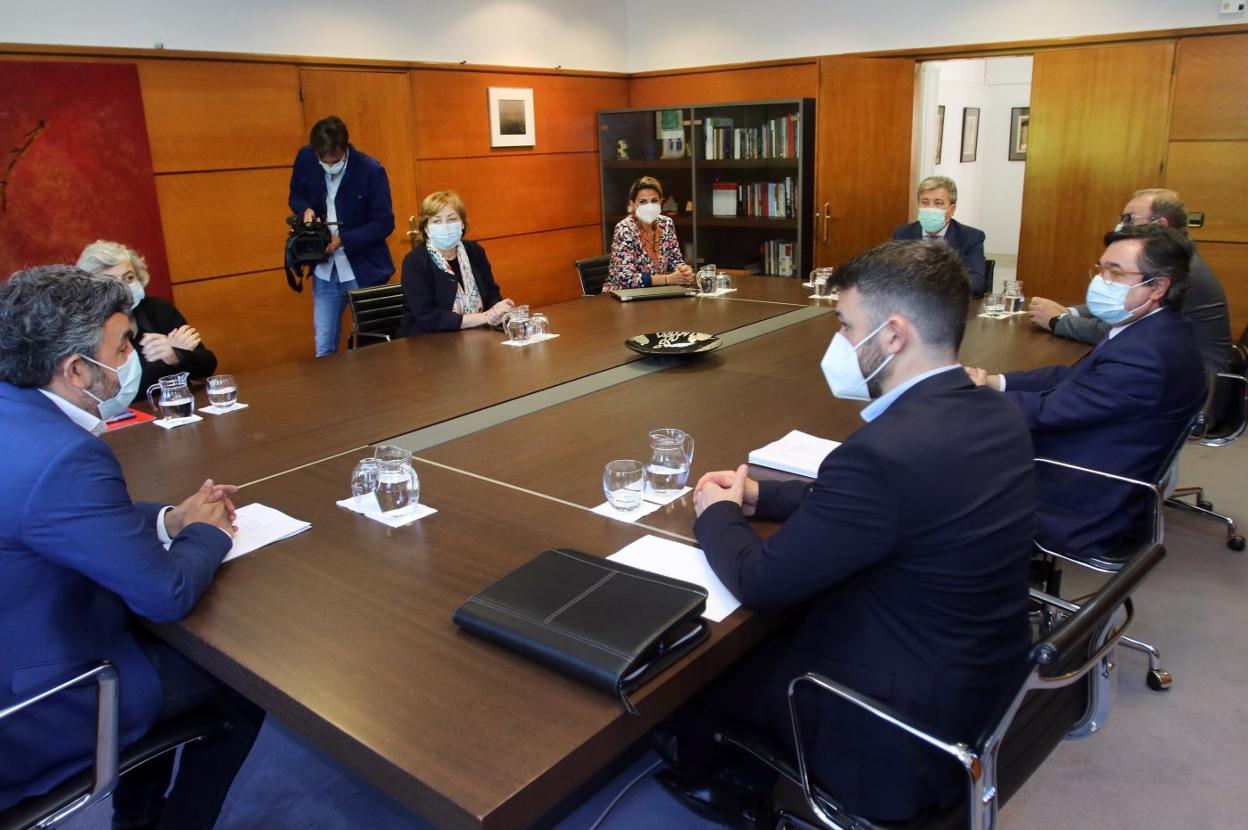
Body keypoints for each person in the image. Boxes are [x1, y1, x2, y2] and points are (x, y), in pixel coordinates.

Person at [658, 241, 1037, 824]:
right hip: (982, 676)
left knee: (700, 671)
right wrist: (760, 494)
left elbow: (762, 580)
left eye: (844, 325)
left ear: (892, 335)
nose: (837, 342)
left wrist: (717, 513)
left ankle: (726, 787)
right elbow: (888, 504)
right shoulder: (994, 414)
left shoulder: (884, 454)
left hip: (889, 718)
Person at [0, 266, 264, 828]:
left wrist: (169, 519)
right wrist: (209, 531)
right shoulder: (62, 455)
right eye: (121, 347)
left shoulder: (14, 414)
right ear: (75, 370)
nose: (132, 358)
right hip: (39, 699)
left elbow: (59, 519)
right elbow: (165, 595)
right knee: (244, 684)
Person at [967, 225, 1206, 561]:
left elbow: (1050, 411)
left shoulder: (1147, 353)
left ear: (1158, 287)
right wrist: (997, 382)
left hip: (1082, 497)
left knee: (943, 469)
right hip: (1098, 463)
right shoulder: (1152, 330)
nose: (1101, 280)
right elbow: (1072, 378)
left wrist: (975, 397)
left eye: (1115, 272)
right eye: (1100, 268)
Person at [1028, 188, 1233, 372]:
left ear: (1159, 224)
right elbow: (1124, 297)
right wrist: (1070, 311)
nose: (1120, 226)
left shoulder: (1178, 270)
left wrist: (1058, 321)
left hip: (1193, 381)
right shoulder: (1177, 258)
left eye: (1128, 218)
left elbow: (1119, 329)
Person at [288, 115, 395, 356]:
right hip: (325, 271)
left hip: (364, 268)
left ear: (345, 149)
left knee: (374, 345)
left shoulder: (370, 170)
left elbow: (384, 222)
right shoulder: (306, 158)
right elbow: (295, 195)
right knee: (324, 345)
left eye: (334, 161)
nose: (328, 165)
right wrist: (305, 209)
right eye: (323, 161)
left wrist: (344, 240)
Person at [76, 239, 218, 397]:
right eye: (112, 283)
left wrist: (175, 355)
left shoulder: (158, 309)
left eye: (129, 278)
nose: (124, 289)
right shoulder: (84, 327)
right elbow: (112, 392)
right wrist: (165, 360)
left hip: (180, 406)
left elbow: (208, 365)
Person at [395, 190, 515, 336]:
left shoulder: (474, 251)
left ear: (462, 224)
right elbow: (428, 317)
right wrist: (484, 317)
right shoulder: (415, 261)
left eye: (451, 219)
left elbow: (491, 293)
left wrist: (497, 311)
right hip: (427, 342)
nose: (445, 226)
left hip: (475, 336)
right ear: (426, 228)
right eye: (437, 221)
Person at [892, 175, 988, 295]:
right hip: (910, 305)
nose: (930, 208)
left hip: (950, 305)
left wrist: (933, 288)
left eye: (938, 203)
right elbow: (892, 275)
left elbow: (976, 282)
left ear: (952, 209)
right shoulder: (903, 233)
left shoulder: (970, 237)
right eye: (925, 202)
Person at [604, 176, 695, 291]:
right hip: (622, 296)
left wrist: (683, 271)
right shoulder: (624, 229)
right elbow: (626, 279)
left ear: (661, 202)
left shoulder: (666, 223)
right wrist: (668, 279)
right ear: (632, 204)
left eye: (654, 201)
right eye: (643, 202)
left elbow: (675, 261)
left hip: (656, 293)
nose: (649, 206)